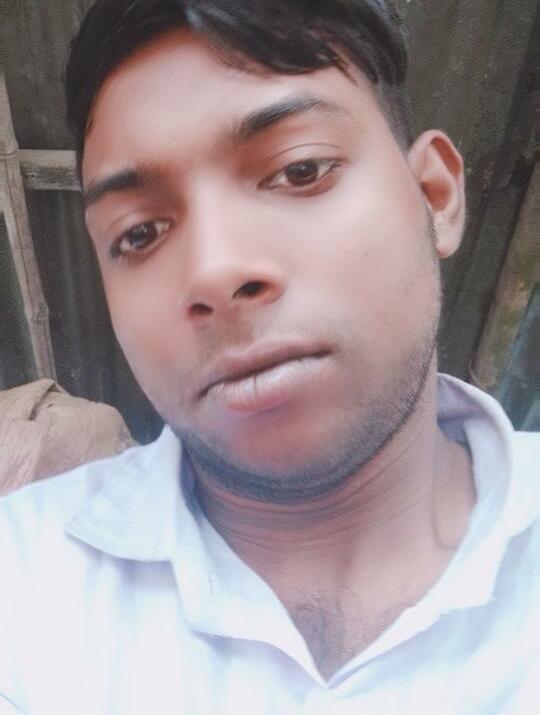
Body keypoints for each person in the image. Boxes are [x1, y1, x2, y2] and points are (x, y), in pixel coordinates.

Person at [1, 1, 538, 712]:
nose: (214, 272)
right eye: (139, 234)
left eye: (300, 169)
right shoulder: (23, 582)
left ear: (435, 196)